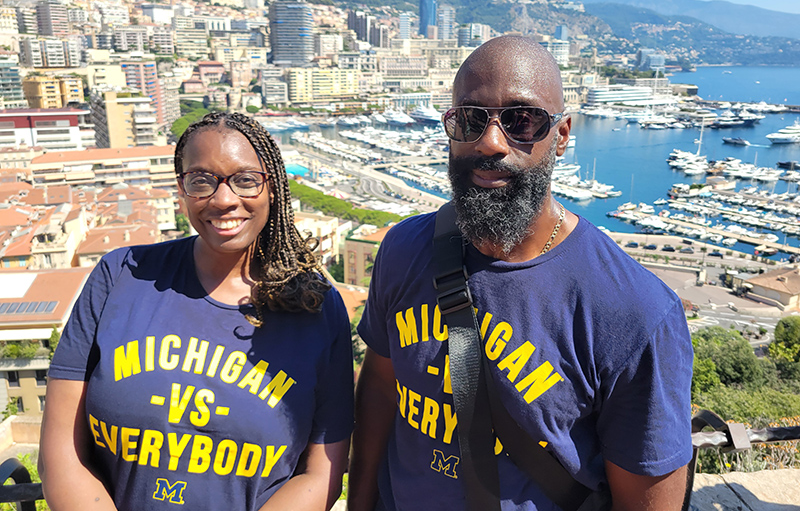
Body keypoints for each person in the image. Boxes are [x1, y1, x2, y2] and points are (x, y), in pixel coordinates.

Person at [348, 36, 693, 511]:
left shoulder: (633, 311)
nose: (490, 142)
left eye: (522, 120)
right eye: (471, 118)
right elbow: (382, 391)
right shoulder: (403, 250)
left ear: (563, 135)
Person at [40, 112, 354, 511]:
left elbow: (322, 471)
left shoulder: (316, 308)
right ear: (182, 189)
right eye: (202, 181)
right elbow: (62, 451)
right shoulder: (119, 276)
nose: (224, 200)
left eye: (245, 180)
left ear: (271, 188)